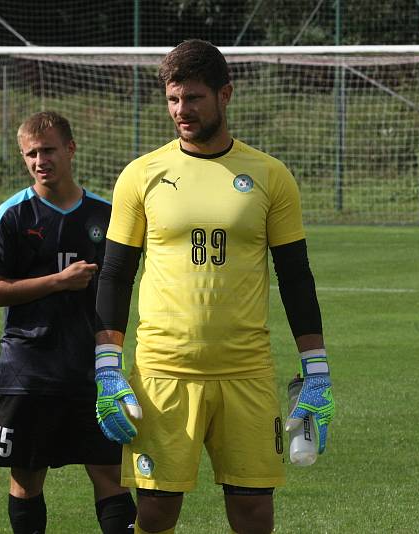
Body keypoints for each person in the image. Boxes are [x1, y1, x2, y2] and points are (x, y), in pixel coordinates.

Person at [93, 39, 336, 534]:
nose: (182, 111)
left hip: (245, 372)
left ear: (225, 95)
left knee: (253, 513)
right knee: (157, 513)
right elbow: (115, 275)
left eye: (194, 98)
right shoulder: (141, 176)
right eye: (173, 99)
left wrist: (317, 371)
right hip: (163, 373)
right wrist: (106, 368)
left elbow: (296, 277)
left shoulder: (271, 176)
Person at [0, 111, 136, 534]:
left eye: (47, 150)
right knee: (26, 479)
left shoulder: (108, 214)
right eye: (30, 153)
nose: (39, 160)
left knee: (109, 474)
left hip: (92, 371)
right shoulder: (12, 215)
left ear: (70, 149)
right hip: (29, 370)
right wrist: (57, 282)